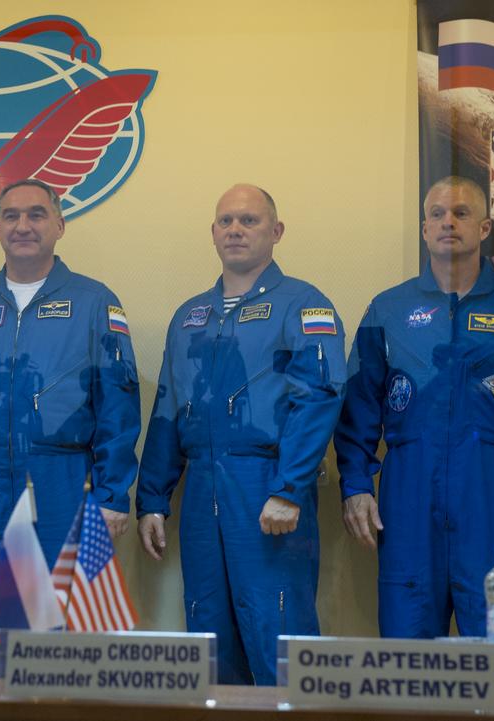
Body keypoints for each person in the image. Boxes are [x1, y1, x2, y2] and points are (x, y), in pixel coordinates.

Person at [335, 176, 494, 639]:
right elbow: (359, 408)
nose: (448, 222)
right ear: (424, 229)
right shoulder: (388, 310)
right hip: (408, 497)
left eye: (462, 213)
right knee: (406, 667)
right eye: (437, 214)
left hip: (493, 493)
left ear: (485, 227)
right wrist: (355, 485)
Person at [0, 178, 141, 677]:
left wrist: (111, 497)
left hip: (64, 482)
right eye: (11, 215)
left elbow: (119, 408)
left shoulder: (94, 302)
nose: (23, 225)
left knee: (65, 641)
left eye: (37, 214)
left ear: (59, 225)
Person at [135, 184, 346, 685]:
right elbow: (168, 406)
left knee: (278, 633)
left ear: (276, 232)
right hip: (202, 488)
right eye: (226, 221)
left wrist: (288, 488)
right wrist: (152, 500)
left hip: (266, 486)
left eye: (249, 221)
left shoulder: (303, 304)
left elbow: (318, 396)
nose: (235, 230)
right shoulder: (190, 317)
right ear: (212, 233)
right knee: (209, 638)